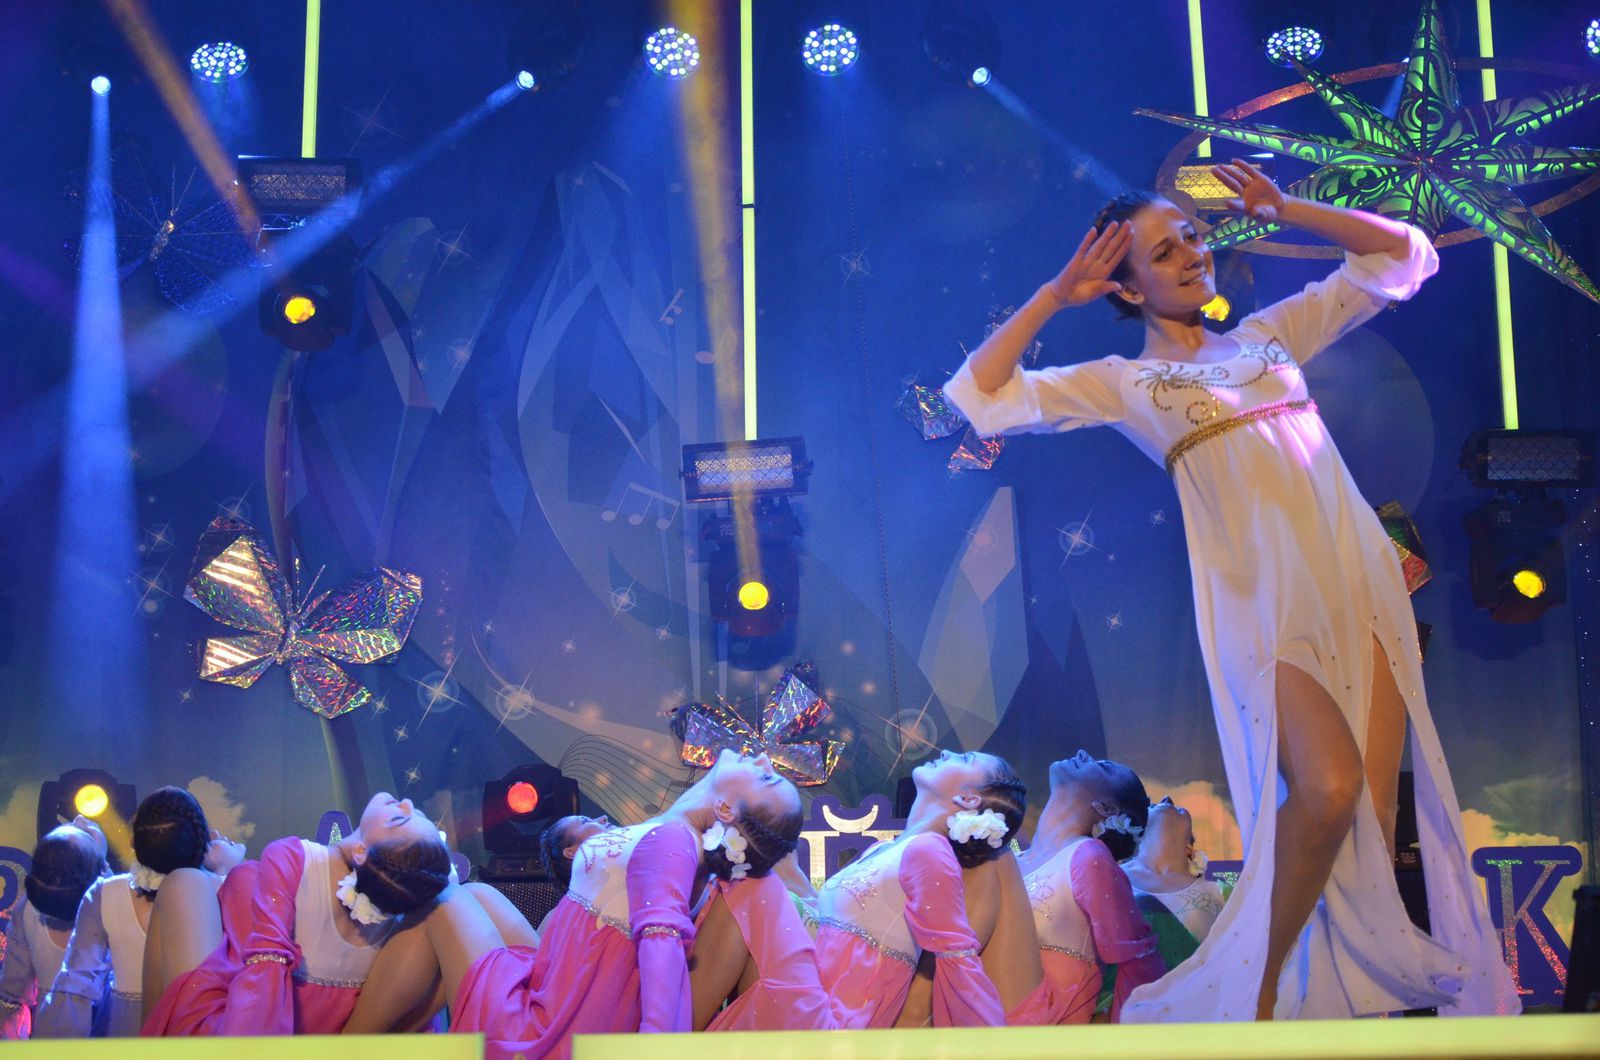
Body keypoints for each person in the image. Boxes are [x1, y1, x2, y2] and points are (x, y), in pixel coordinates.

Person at [944, 161, 1518, 1020]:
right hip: (1265, 603)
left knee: (1367, 817)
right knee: (1327, 792)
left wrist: (1288, 209)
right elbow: (980, 395)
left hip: (1357, 582)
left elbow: (1403, 255)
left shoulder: (1270, 339)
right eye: (1163, 252)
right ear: (1127, 287)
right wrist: (1055, 296)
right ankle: (1255, 992)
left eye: (1193, 237)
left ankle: (1335, 1004)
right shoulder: (1125, 381)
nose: (1191, 256)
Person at [416, 749, 802, 1060]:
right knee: (478, 894)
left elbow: (662, 949)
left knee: (446, 902)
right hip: (556, 987)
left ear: (726, 811)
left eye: (767, 779)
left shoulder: (673, 841)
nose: (765, 761)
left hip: (555, 1028)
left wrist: (657, 1048)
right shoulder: (680, 841)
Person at [141, 791, 451, 1035]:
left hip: (240, 1026)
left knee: (185, 883)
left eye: (399, 819)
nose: (407, 802)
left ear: (362, 852)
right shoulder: (400, 921)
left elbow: (266, 963)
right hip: (266, 1013)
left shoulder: (293, 856)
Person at [812, 749, 1022, 1028]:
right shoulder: (884, 848)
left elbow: (957, 956)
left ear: (969, 799)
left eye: (964, 759)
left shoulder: (930, 850)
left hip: (841, 1025)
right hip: (815, 1003)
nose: (946, 752)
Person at [35, 787, 244, 1037]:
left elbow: (76, 980)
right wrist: (231, 868)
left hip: (123, 1029)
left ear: (134, 841)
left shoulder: (104, 893)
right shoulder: (225, 890)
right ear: (203, 840)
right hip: (195, 1032)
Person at [1011, 752, 1165, 1024]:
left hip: (1046, 1031)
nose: (1083, 753)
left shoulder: (1088, 856)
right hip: (988, 1020)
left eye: (1103, 767)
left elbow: (1137, 963)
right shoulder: (1011, 861)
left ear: (1106, 808)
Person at [0, 818, 109, 1038]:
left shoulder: (28, 910)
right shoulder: (112, 905)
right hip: (109, 1027)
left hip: (52, 1031)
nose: (78, 820)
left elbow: (14, 987)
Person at [1121, 796, 1226, 973]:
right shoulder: (1108, 875)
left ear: (1189, 848)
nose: (1167, 799)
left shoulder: (1221, 891)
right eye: (1153, 805)